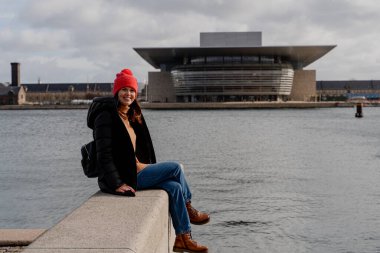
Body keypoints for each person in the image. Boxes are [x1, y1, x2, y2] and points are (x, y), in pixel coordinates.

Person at [87, 69, 210, 253]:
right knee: (176, 168)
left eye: (132, 90)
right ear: (116, 92)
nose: (128, 94)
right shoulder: (105, 117)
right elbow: (104, 155)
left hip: (137, 169)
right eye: (124, 89)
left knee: (175, 187)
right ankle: (188, 207)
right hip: (125, 177)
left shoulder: (130, 115)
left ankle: (183, 237)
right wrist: (117, 184)